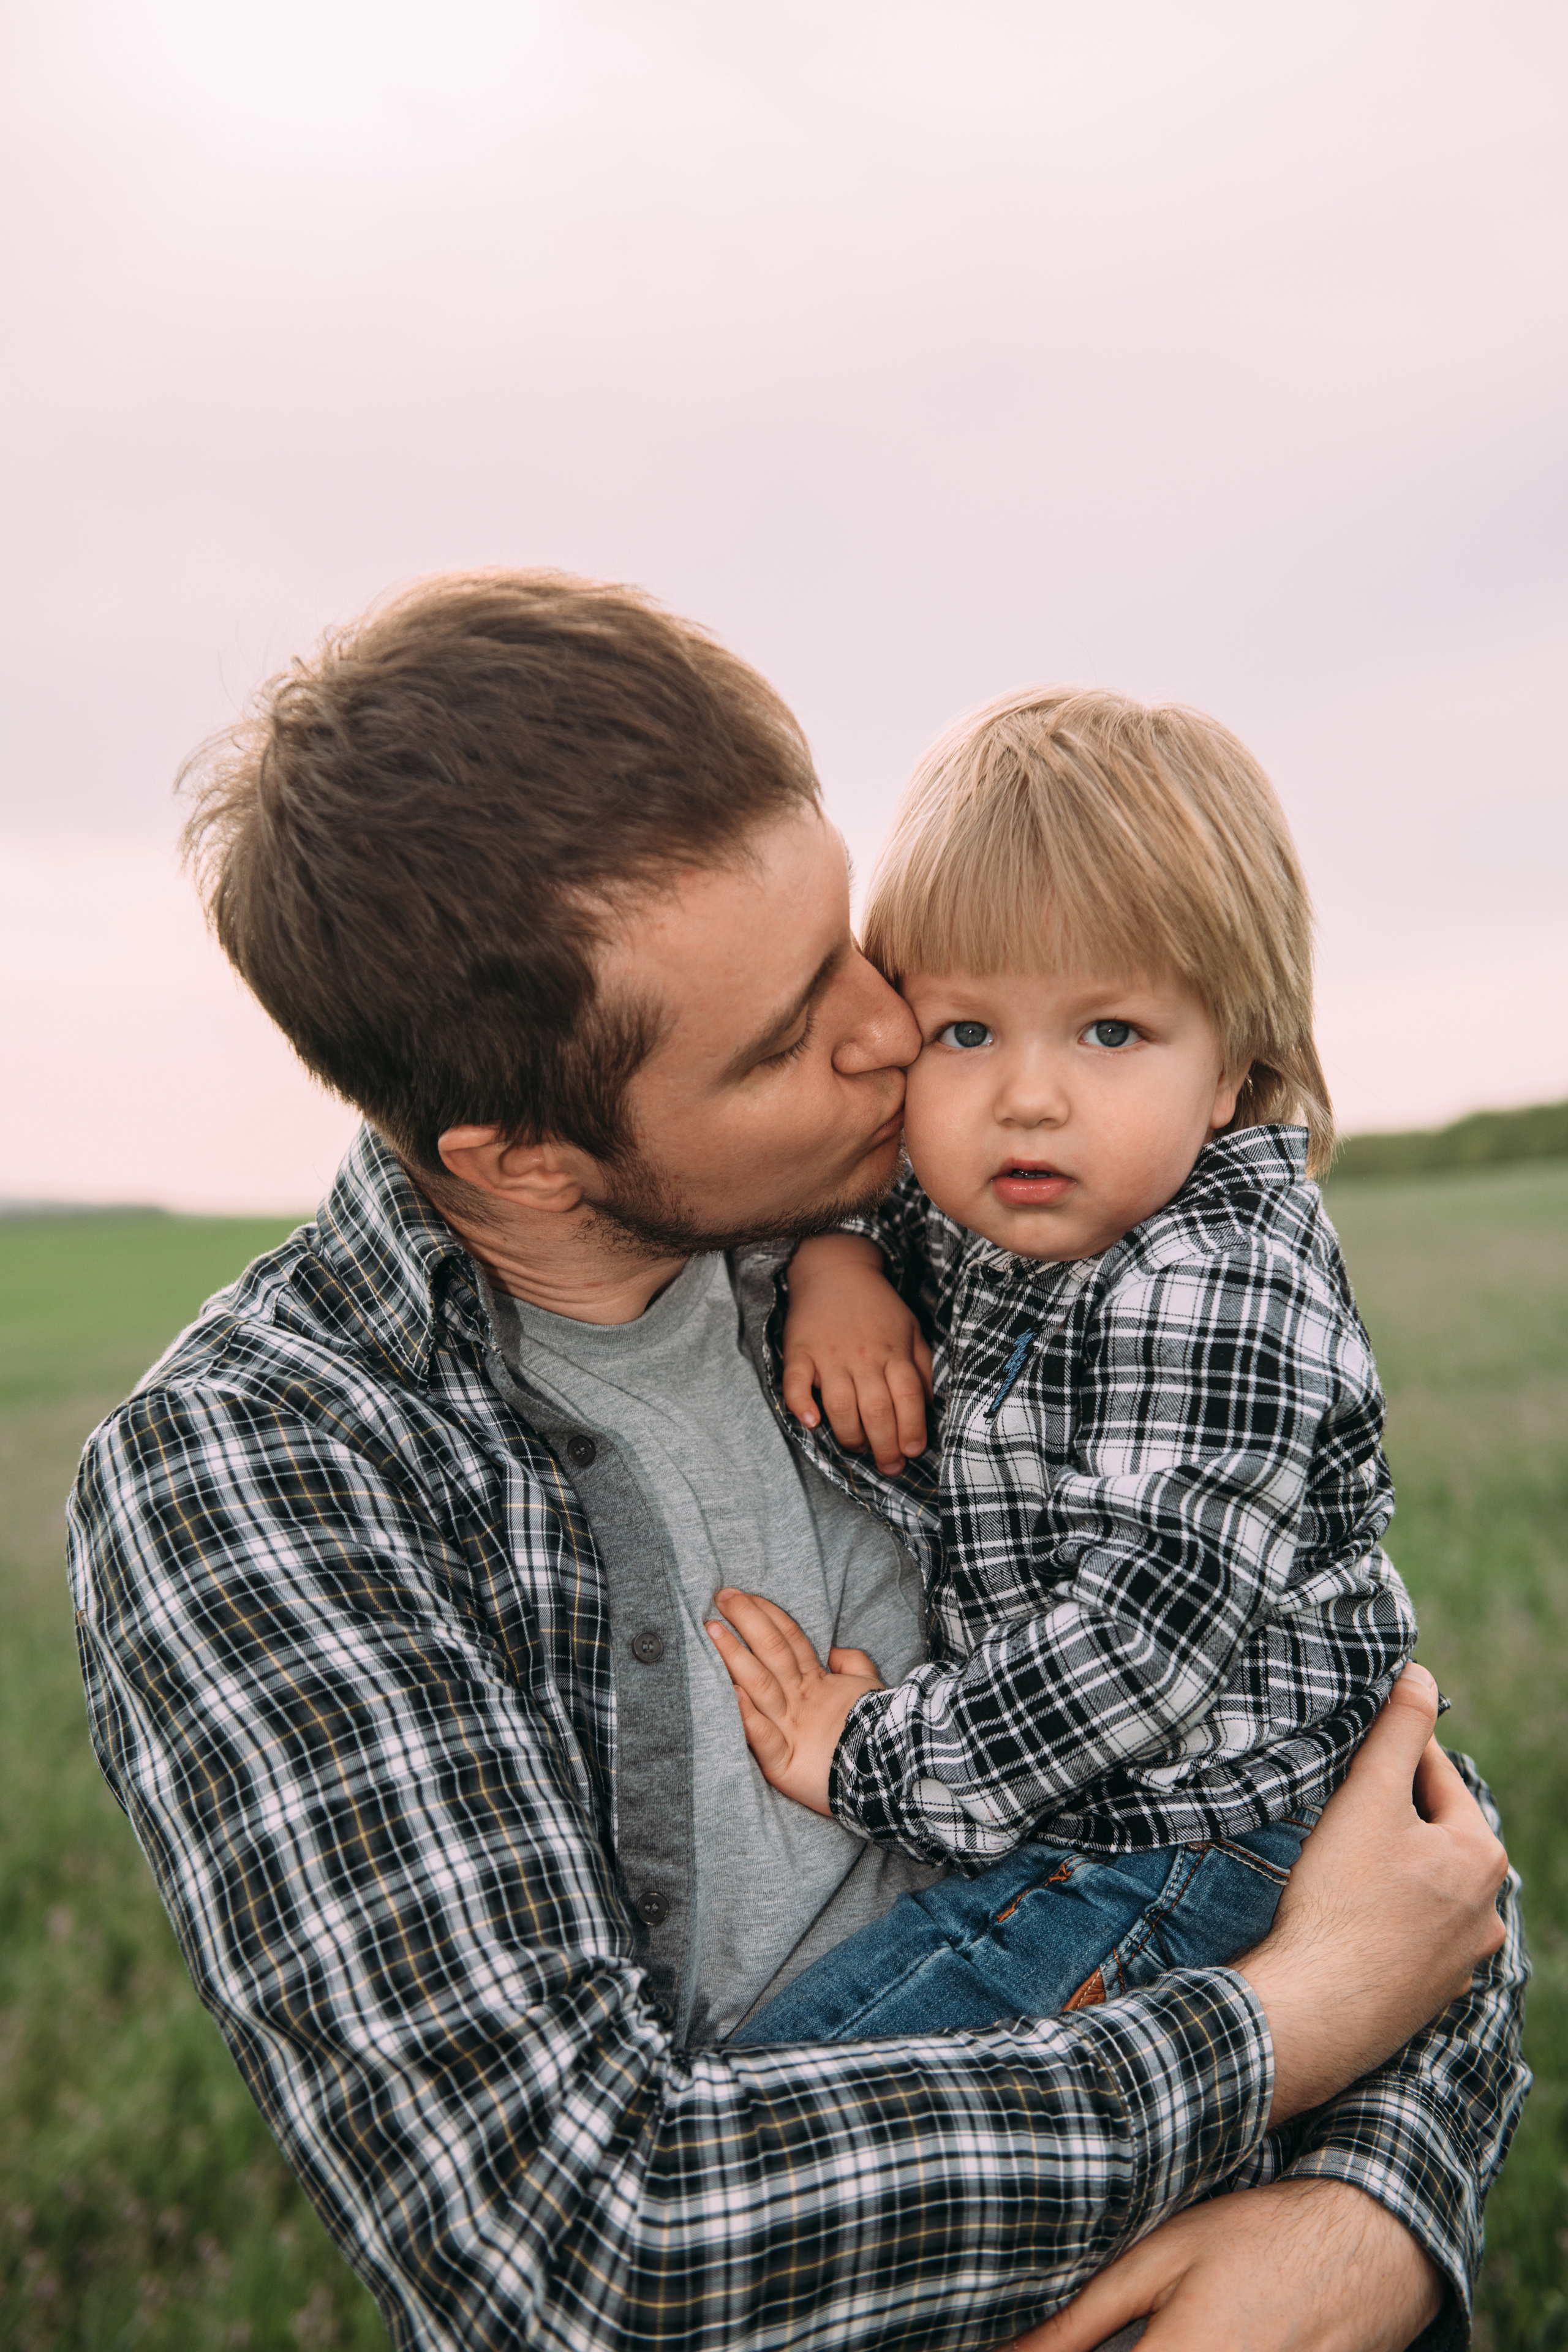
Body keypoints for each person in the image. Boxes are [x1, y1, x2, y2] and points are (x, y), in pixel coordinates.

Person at [66, 572, 1523, 2352]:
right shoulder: (260, 1473)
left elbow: (1381, 1804)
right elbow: (586, 2250)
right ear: (523, 1158)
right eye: (782, 1040)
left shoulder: (963, 1233)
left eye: (855, 945)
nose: (894, 1033)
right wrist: (1291, 2030)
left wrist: (1373, 2207)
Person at [710, 685, 1419, 2048]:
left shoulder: (1212, 1281)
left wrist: (864, 1758)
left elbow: (1133, 1656)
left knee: (795, 2095)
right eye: (964, 1031)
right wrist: (835, 1262)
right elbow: (878, 1202)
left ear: (1230, 1067)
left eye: (1109, 1033)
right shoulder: (1019, 1199)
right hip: (1082, 1811)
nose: (1026, 1095)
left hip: (1200, 1846)